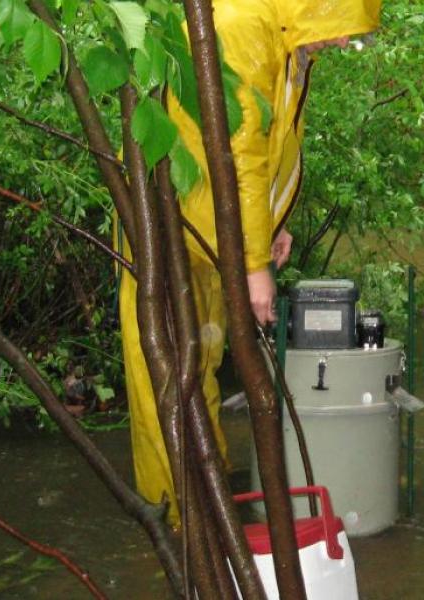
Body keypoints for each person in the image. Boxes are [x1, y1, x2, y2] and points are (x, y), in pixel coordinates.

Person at [119, 0, 382, 525]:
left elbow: (278, 138)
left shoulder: (290, 39)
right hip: (178, 224)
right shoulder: (240, 26)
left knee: (205, 358)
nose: (339, 44)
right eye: (341, 31)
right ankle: (180, 516)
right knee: (166, 373)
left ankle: (210, 493)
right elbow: (239, 152)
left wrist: (274, 221)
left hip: (220, 229)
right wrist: (254, 261)